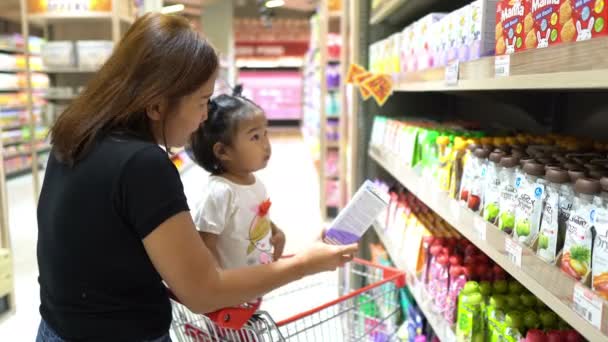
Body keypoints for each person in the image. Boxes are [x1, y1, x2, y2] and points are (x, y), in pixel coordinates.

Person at [36, 12, 357, 342]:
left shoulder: (76, 133)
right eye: (202, 101)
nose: (205, 116)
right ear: (157, 105)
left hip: (55, 330)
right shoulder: (143, 164)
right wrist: (306, 263)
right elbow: (203, 291)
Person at [189, 91, 283, 271]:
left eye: (265, 133)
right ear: (223, 152)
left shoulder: (255, 182)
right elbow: (205, 246)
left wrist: (275, 231)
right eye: (255, 137)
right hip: (234, 292)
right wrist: (221, 290)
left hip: (255, 282)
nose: (266, 144)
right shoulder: (220, 192)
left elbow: (252, 218)